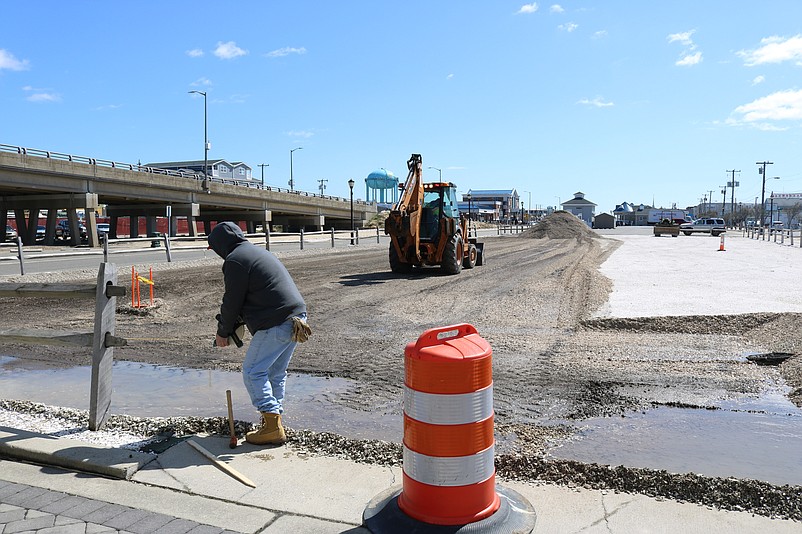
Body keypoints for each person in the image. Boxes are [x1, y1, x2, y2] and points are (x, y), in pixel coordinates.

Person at [207, 221, 310, 445]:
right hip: (297, 319)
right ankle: (273, 422)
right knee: (275, 372)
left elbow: (232, 302)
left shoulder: (235, 260)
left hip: (278, 321)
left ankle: (272, 424)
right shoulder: (257, 253)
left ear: (220, 246)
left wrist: (223, 332)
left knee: (253, 371)